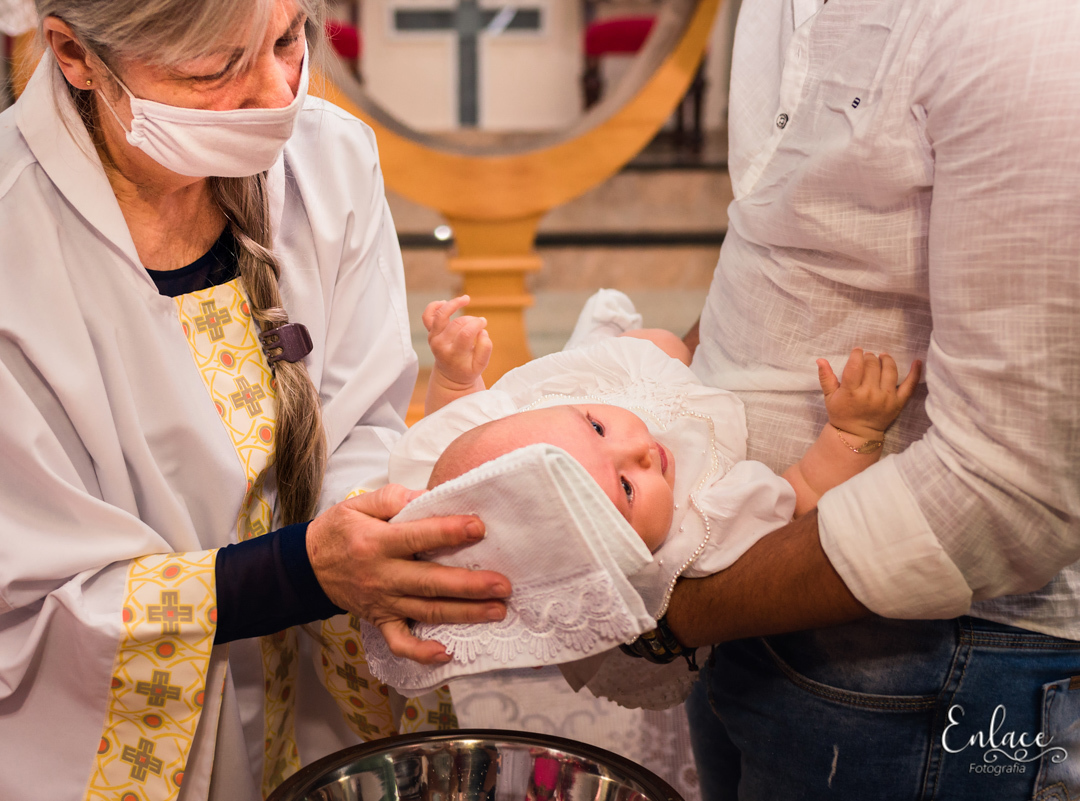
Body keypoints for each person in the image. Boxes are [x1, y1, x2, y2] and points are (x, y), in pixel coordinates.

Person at [0, 1, 513, 799]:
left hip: (314, 702)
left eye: (288, 39)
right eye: (214, 69)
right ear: (75, 54)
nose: (277, 95)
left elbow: (361, 417)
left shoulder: (331, 159)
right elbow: (3, 615)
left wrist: (371, 540)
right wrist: (300, 572)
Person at [650, 1, 1080, 799]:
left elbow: (1007, 489)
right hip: (746, 594)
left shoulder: (1029, 25)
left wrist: (674, 614)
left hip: (935, 655)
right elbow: (793, 232)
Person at [421, 294, 922, 549]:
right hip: (686, 390)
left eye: (598, 430)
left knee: (650, 347)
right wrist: (855, 431)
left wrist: (455, 377)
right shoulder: (700, 524)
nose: (640, 452)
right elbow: (802, 494)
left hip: (612, 381)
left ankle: (602, 358)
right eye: (626, 489)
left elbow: (459, 438)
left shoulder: (548, 427)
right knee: (667, 348)